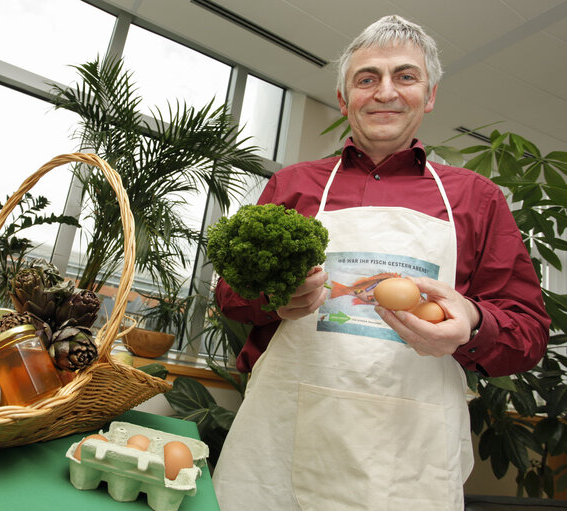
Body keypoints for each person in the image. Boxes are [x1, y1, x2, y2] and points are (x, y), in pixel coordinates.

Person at [211, 14, 550, 511]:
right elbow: (229, 295)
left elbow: (529, 331)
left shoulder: (476, 198)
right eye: (367, 79)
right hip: (284, 435)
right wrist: (273, 298)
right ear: (346, 99)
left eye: (405, 76)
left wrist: (472, 323)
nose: (385, 92)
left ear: (429, 95)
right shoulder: (295, 185)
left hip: (411, 452)